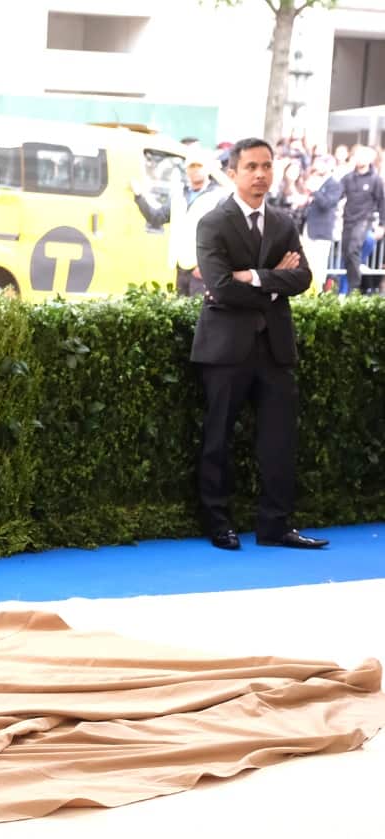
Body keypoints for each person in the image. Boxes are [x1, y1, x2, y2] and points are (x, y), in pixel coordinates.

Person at [192, 138, 327, 552]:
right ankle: (218, 522)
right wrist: (272, 283)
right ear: (233, 173)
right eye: (251, 167)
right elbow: (218, 287)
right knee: (218, 438)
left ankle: (276, 525)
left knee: (279, 440)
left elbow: (302, 278)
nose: (261, 174)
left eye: (267, 166)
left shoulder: (285, 223)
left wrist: (251, 277)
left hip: (275, 348)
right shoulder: (213, 223)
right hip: (225, 348)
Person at [132, 147, 227, 295]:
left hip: (203, 269)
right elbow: (156, 218)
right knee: (180, 311)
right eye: (191, 166)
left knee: (198, 312)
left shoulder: (219, 197)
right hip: (180, 266)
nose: (195, 170)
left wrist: (208, 265)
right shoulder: (179, 195)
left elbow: (224, 237)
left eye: (199, 166)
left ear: (208, 168)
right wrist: (139, 196)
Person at [338, 144, 385, 295]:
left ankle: (354, 286)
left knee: (353, 251)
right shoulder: (347, 178)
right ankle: (347, 291)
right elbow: (335, 197)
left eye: (363, 155)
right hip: (348, 221)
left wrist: (382, 225)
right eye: (357, 155)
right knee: (347, 256)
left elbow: (382, 202)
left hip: (364, 221)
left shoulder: (376, 179)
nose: (360, 159)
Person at [302, 154, 343, 293]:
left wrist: (315, 191)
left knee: (318, 266)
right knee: (306, 264)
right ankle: (306, 293)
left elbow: (327, 204)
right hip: (308, 229)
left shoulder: (335, 185)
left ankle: (317, 293)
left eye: (320, 163)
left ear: (329, 166)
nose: (317, 167)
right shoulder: (314, 181)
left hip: (322, 232)